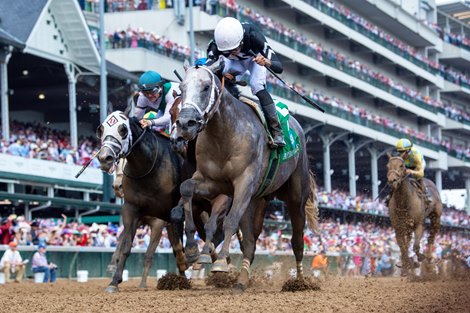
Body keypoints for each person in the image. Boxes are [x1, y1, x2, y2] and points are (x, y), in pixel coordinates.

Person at [206, 17, 286, 148]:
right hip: (233, 63)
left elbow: (279, 67)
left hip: (254, 60)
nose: (233, 52)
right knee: (216, 69)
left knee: (257, 86)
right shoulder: (215, 45)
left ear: (242, 39)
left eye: (236, 48)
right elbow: (208, 67)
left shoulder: (254, 35)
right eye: (229, 51)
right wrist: (221, 74)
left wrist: (266, 61)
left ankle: (277, 132)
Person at [395, 138, 432, 205]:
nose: (400, 155)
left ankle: (426, 194)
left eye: (402, 152)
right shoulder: (400, 155)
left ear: (408, 150)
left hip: (417, 165)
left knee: (418, 178)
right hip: (407, 164)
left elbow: (421, 174)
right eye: (399, 152)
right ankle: (390, 194)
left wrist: (412, 172)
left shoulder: (416, 156)